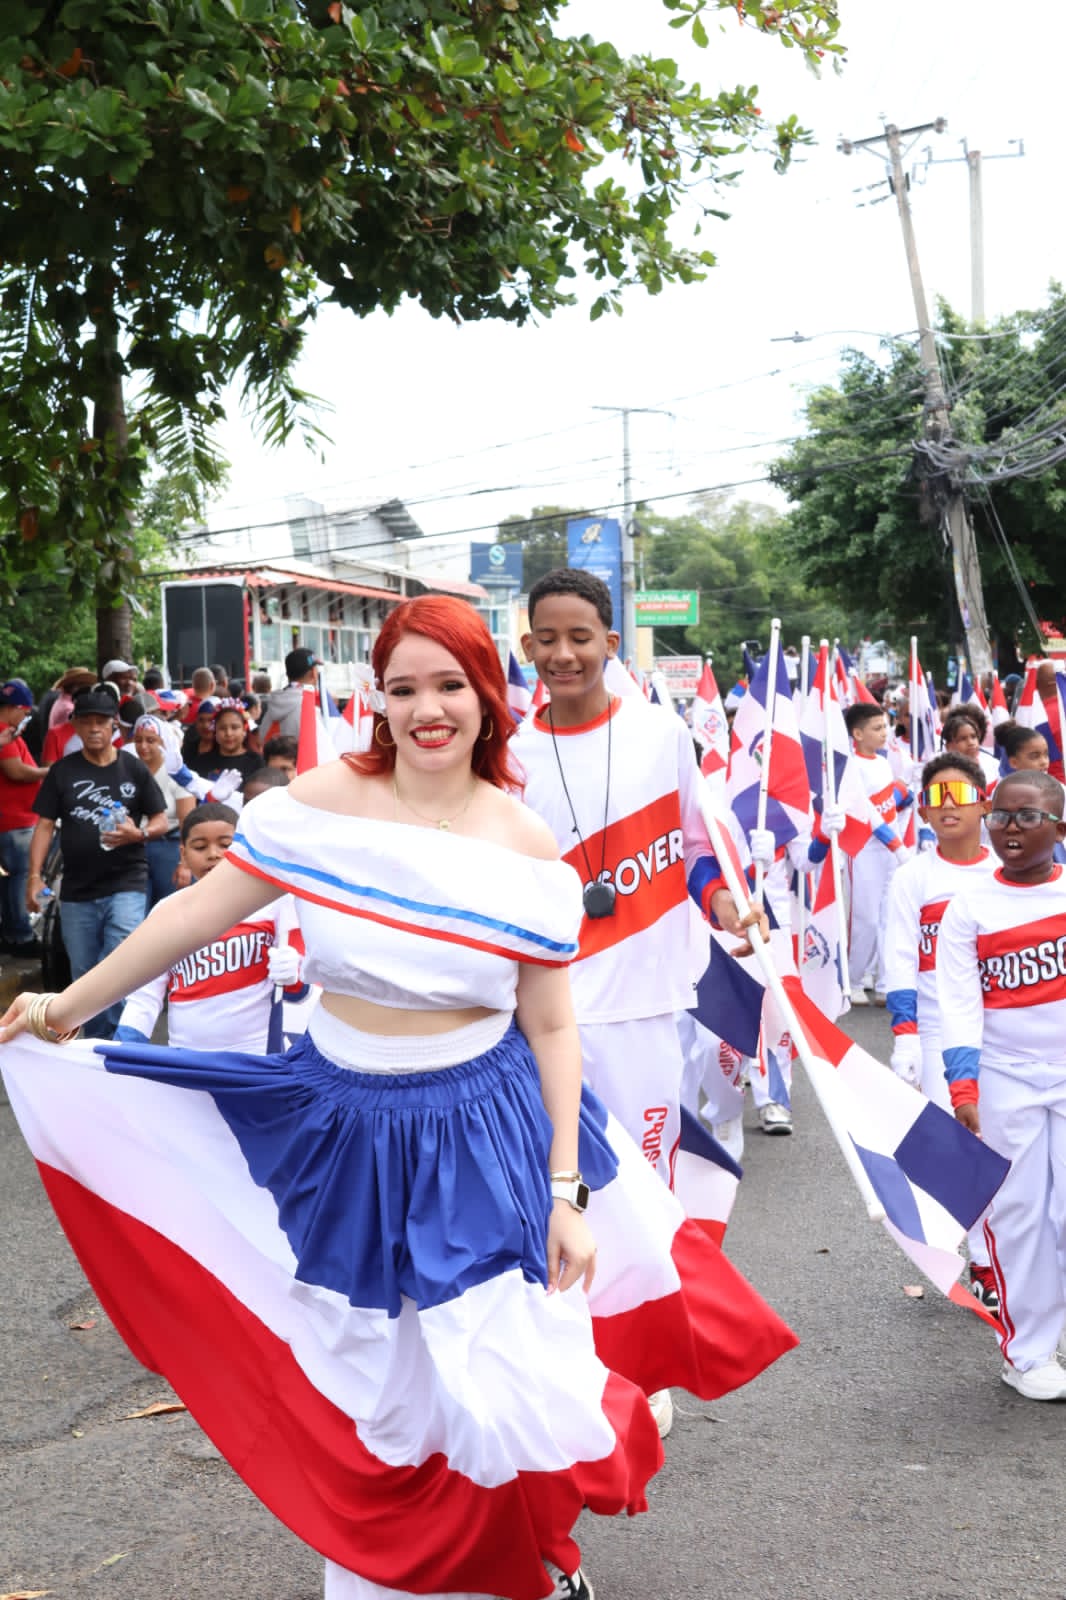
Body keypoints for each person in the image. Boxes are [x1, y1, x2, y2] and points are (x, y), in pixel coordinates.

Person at [0, 597, 795, 1600]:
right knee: (373, 1372)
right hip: (342, 1127)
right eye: (405, 686)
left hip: (477, 1131)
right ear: (376, 697)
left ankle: (529, 1556)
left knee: (493, 1375)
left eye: (450, 685)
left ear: (485, 696)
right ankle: (385, 1571)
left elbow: (551, 1025)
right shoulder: (317, 805)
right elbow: (197, 910)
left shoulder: (521, 842)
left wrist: (565, 1189)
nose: (428, 709)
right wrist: (67, 1006)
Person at [937, 770, 1066, 1400]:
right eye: (1002, 816)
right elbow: (959, 1003)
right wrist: (964, 1089)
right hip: (1005, 1080)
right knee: (1019, 1218)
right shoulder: (971, 906)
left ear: (1059, 827)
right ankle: (1028, 1353)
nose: (1010, 829)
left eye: (1027, 817)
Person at [883, 752, 998, 1311]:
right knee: (960, 1150)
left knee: (1009, 1144)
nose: (947, 807)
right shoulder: (913, 878)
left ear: (984, 801)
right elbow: (900, 959)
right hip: (937, 1032)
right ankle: (981, 1262)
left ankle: (1011, 1254)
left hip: (1005, 1029)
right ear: (923, 811)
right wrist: (905, 1035)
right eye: (935, 798)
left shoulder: (1007, 870)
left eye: (959, 795)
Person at [26, 685, 169, 1038]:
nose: (94, 728)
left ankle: (118, 1046)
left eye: (101, 722)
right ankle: (98, 1046)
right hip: (76, 890)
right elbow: (44, 826)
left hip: (127, 882)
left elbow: (161, 820)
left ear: (113, 727)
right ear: (74, 726)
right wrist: (33, 876)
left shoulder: (133, 768)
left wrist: (140, 834)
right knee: (85, 975)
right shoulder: (62, 772)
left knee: (118, 965)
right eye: (86, 721)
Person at [115, 802, 306, 1053]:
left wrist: (295, 975)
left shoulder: (275, 902)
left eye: (226, 845)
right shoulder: (167, 910)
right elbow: (146, 995)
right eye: (200, 846)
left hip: (256, 1054)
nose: (213, 854)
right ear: (183, 854)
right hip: (186, 1056)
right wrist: (126, 1043)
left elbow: (302, 994)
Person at [843, 701, 911, 1005]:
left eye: (885, 726)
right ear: (857, 733)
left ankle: (884, 980)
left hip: (891, 853)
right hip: (864, 851)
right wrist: (895, 845)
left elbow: (891, 806)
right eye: (877, 728)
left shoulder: (883, 763)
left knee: (889, 916)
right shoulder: (850, 766)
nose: (885, 733)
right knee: (865, 918)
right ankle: (854, 978)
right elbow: (868, 814)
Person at [0, 680, 49, 957]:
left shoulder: (8, 734)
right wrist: (46, 773)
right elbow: (15, 771)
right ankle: (21, 934)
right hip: (14, 820)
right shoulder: (3, 733)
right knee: (20, 877)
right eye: (25, 711)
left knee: (11, 878)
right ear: (14, 708)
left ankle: (12, 931)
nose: (26, 717)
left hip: (17, 818)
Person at [130, 714, 196, 908]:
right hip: (135, 846)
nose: (143, 746)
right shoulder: (129, 770)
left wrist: (184, 864)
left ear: (164, 742)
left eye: (151, 740)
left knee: (168, 908)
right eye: (138, 740)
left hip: (169, 846)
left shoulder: (177, 774)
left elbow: (188, 821)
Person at [186, 699, 264, 786]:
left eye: (234, 727)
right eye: (222, 728)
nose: (228, 733)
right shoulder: (201, 762)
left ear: (244, 729)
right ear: (215, 731)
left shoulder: (257, 762)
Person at [260, 645, 321, 742]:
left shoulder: (272, 706)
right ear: (313, 673)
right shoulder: (310, 709)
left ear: (288, 675)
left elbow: (261, 738)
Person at [941, 707, 999, 788]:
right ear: (949, 746)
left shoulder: (994, 765)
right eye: (962, 739)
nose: (970, 743)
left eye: (973, 736)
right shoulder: (940, 771)